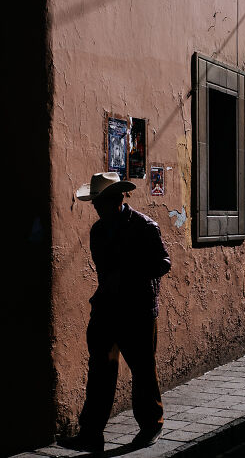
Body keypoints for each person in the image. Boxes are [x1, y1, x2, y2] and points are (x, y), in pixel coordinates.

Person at [59, 172, 171, 452]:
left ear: (119, 199)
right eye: (96, 204)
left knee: (143, 369)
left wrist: (130, 273)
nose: (97, 208)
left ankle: (151, 425)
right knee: (99, 371)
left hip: (138, 310)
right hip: (107, 308)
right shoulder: (98, 231)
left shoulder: (145, 227)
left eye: (102, 203)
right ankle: (92, 433)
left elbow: (163, 263)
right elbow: (104, 271)